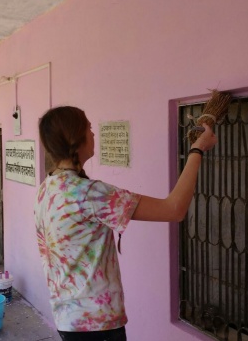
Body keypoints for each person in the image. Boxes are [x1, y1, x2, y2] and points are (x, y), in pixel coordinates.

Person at [34, 106, 217, 340]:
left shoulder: (47, 187)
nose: (93, 134)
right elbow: (174, 209)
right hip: (97, 325)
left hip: (67, 317)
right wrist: (197, 149)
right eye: (89, 128)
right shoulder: (89, 193)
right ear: (76, 137)